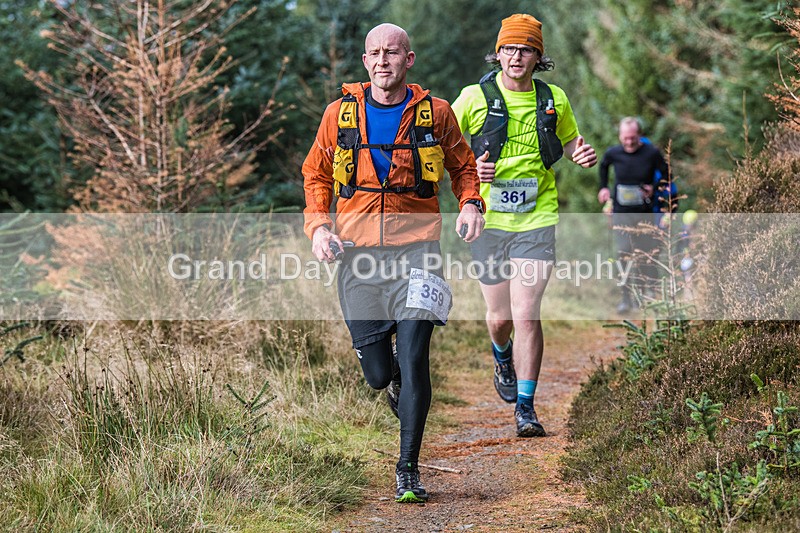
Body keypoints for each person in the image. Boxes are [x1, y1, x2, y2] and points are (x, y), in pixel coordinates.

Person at [302, 23, 485, 503]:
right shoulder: (338, 115)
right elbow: (316, 174)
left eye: (393, 52)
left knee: (414, 357)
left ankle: (408, 469)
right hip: (358, 256)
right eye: (375, 53)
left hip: (418, 254)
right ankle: (394, 384)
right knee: (381, 374)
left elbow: (464, 166)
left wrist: (471, 204)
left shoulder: (437, 113)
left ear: (410, 59)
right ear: (365, 62)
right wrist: (319, 227)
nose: (383, 60)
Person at [452, 14, 597, 438]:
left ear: (538, 56)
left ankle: (526, 408)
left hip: (537, 217)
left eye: (526, 49)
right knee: (500, 318)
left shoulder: (553, 99)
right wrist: (471, 169)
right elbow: (447, 149)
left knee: (526, 313)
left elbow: (570, 142)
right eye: (509, 49)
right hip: (488, 220)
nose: (516, 56)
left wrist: (579, 154)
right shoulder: (473, 98)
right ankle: (501, 354)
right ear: (497, 54)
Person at [598, 117, 669, 313]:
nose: (629, 142)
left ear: (640, 135)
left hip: (644, 214)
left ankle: (645, 294)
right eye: (625, 138)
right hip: (621, 214)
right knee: (623, 254)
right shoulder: (614, 153)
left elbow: (666, 173)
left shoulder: (651, 153)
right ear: (620, 136)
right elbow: (603, 166)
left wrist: (653, 188)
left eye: (633, 138)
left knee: (645, 255)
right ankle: (625, 298)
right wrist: (603, 188)